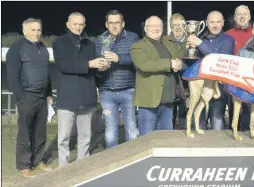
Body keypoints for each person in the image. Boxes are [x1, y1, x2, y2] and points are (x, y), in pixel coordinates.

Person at [53, 12, 108, 167]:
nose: (78, 27)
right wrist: (90, 64)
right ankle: (63, 166)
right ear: (68, 24)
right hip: (67, 97)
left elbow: (93, 71)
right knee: (63, 136)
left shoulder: (90, 44)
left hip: (86, 96)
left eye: (81, 24)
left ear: (84, 25)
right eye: (75, 24)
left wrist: (101, 68)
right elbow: (64, 66)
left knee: (85, 135)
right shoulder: (59, 43)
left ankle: (82, 164)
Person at [6, 18, 53, 177]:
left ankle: (38, 160)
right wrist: (21, 96)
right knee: (25, 132)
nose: (37, 33)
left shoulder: (43, 48)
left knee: (40, 132)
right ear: (25, 31)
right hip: (27, 97)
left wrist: (48, 93)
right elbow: (12, 76)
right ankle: (24, 165)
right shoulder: (17, 48)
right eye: (33, 30)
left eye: (39, 30)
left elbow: (47, 73)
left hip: (41, 98)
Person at [130, 16, 184, 136]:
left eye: (159, 26)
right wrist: (170, 63)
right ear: (145, 28)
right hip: (149, 101)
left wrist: (178, 62)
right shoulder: (137, 46)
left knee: (166, 138)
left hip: (168, 100)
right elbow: (144, 65)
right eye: (152, 26)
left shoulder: (169, 42)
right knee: (147, 139)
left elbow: (178, 57)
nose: (156, 29)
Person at [94, 10, 140, 148]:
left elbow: (137, 61)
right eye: (111, 23)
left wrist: (118, 59)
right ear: (106, 24)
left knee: (131, 127)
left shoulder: (133, 38)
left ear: (123, 24)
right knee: (110, 129)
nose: (114, 26)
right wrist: (100, 70)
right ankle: (111, 159)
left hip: (128, 90)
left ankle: (133, 157)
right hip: (107, 91)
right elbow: (95, 66)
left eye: (117, 23)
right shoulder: (99, 40)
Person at [186, 10, 235, 130]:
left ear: (223, 23)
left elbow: (219, 59)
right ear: (206, 23)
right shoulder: (198, 37)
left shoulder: (229, 40)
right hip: (200, 89)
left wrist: (200, 44)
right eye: (212, 22)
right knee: (199, 125)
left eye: (218, 22)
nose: (215, 25)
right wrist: (188, 50)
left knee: (217, 126)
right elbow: (191, 62)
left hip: (218, 91)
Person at [225, 5, 254, 130]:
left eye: (245, 14)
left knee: (250, 117)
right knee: (234, 116)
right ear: (235, 17)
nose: (242, 17)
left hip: (251, 82)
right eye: (239, 14)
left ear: (249, 17)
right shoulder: (227, 35)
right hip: (233, 81)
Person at [169, 13, 188, 130]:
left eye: (180, 24)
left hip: (187, 85)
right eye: (174, 25)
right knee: (169, 118)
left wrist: (182, 66)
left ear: (185, 26)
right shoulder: (164, 41)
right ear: (170, 27)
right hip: (171, 83)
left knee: (185, 119)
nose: (177, 27)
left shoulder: (191, 40)